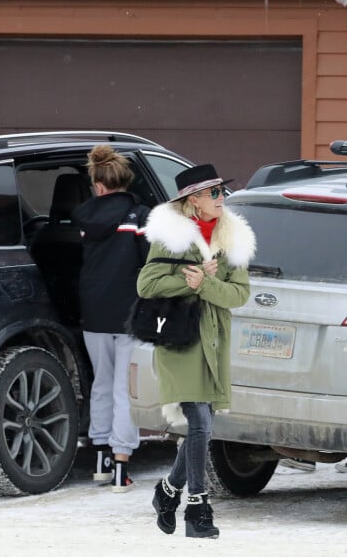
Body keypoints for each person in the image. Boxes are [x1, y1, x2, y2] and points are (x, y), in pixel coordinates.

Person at [136, 164, 256, 538]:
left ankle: (168, 490)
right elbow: (147, 283)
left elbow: (239, 294)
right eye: (214, 193)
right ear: (193, 201)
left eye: (222, 191)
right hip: (180, 341)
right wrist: (187, 281)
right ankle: (198, 507)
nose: (221, 198)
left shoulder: (232, 238)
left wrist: (205, 284)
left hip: (213, 343)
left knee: (204, 425)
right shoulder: (171, 237)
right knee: (201, 422)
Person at [72, 144, 150, 493]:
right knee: (124, 389)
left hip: (93, 311)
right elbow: (148, 264)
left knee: (100, 384)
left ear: (99, 185)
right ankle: (121, 466)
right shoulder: (139, 217)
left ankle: (101, 460)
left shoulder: (84, 219)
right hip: (128, 313)